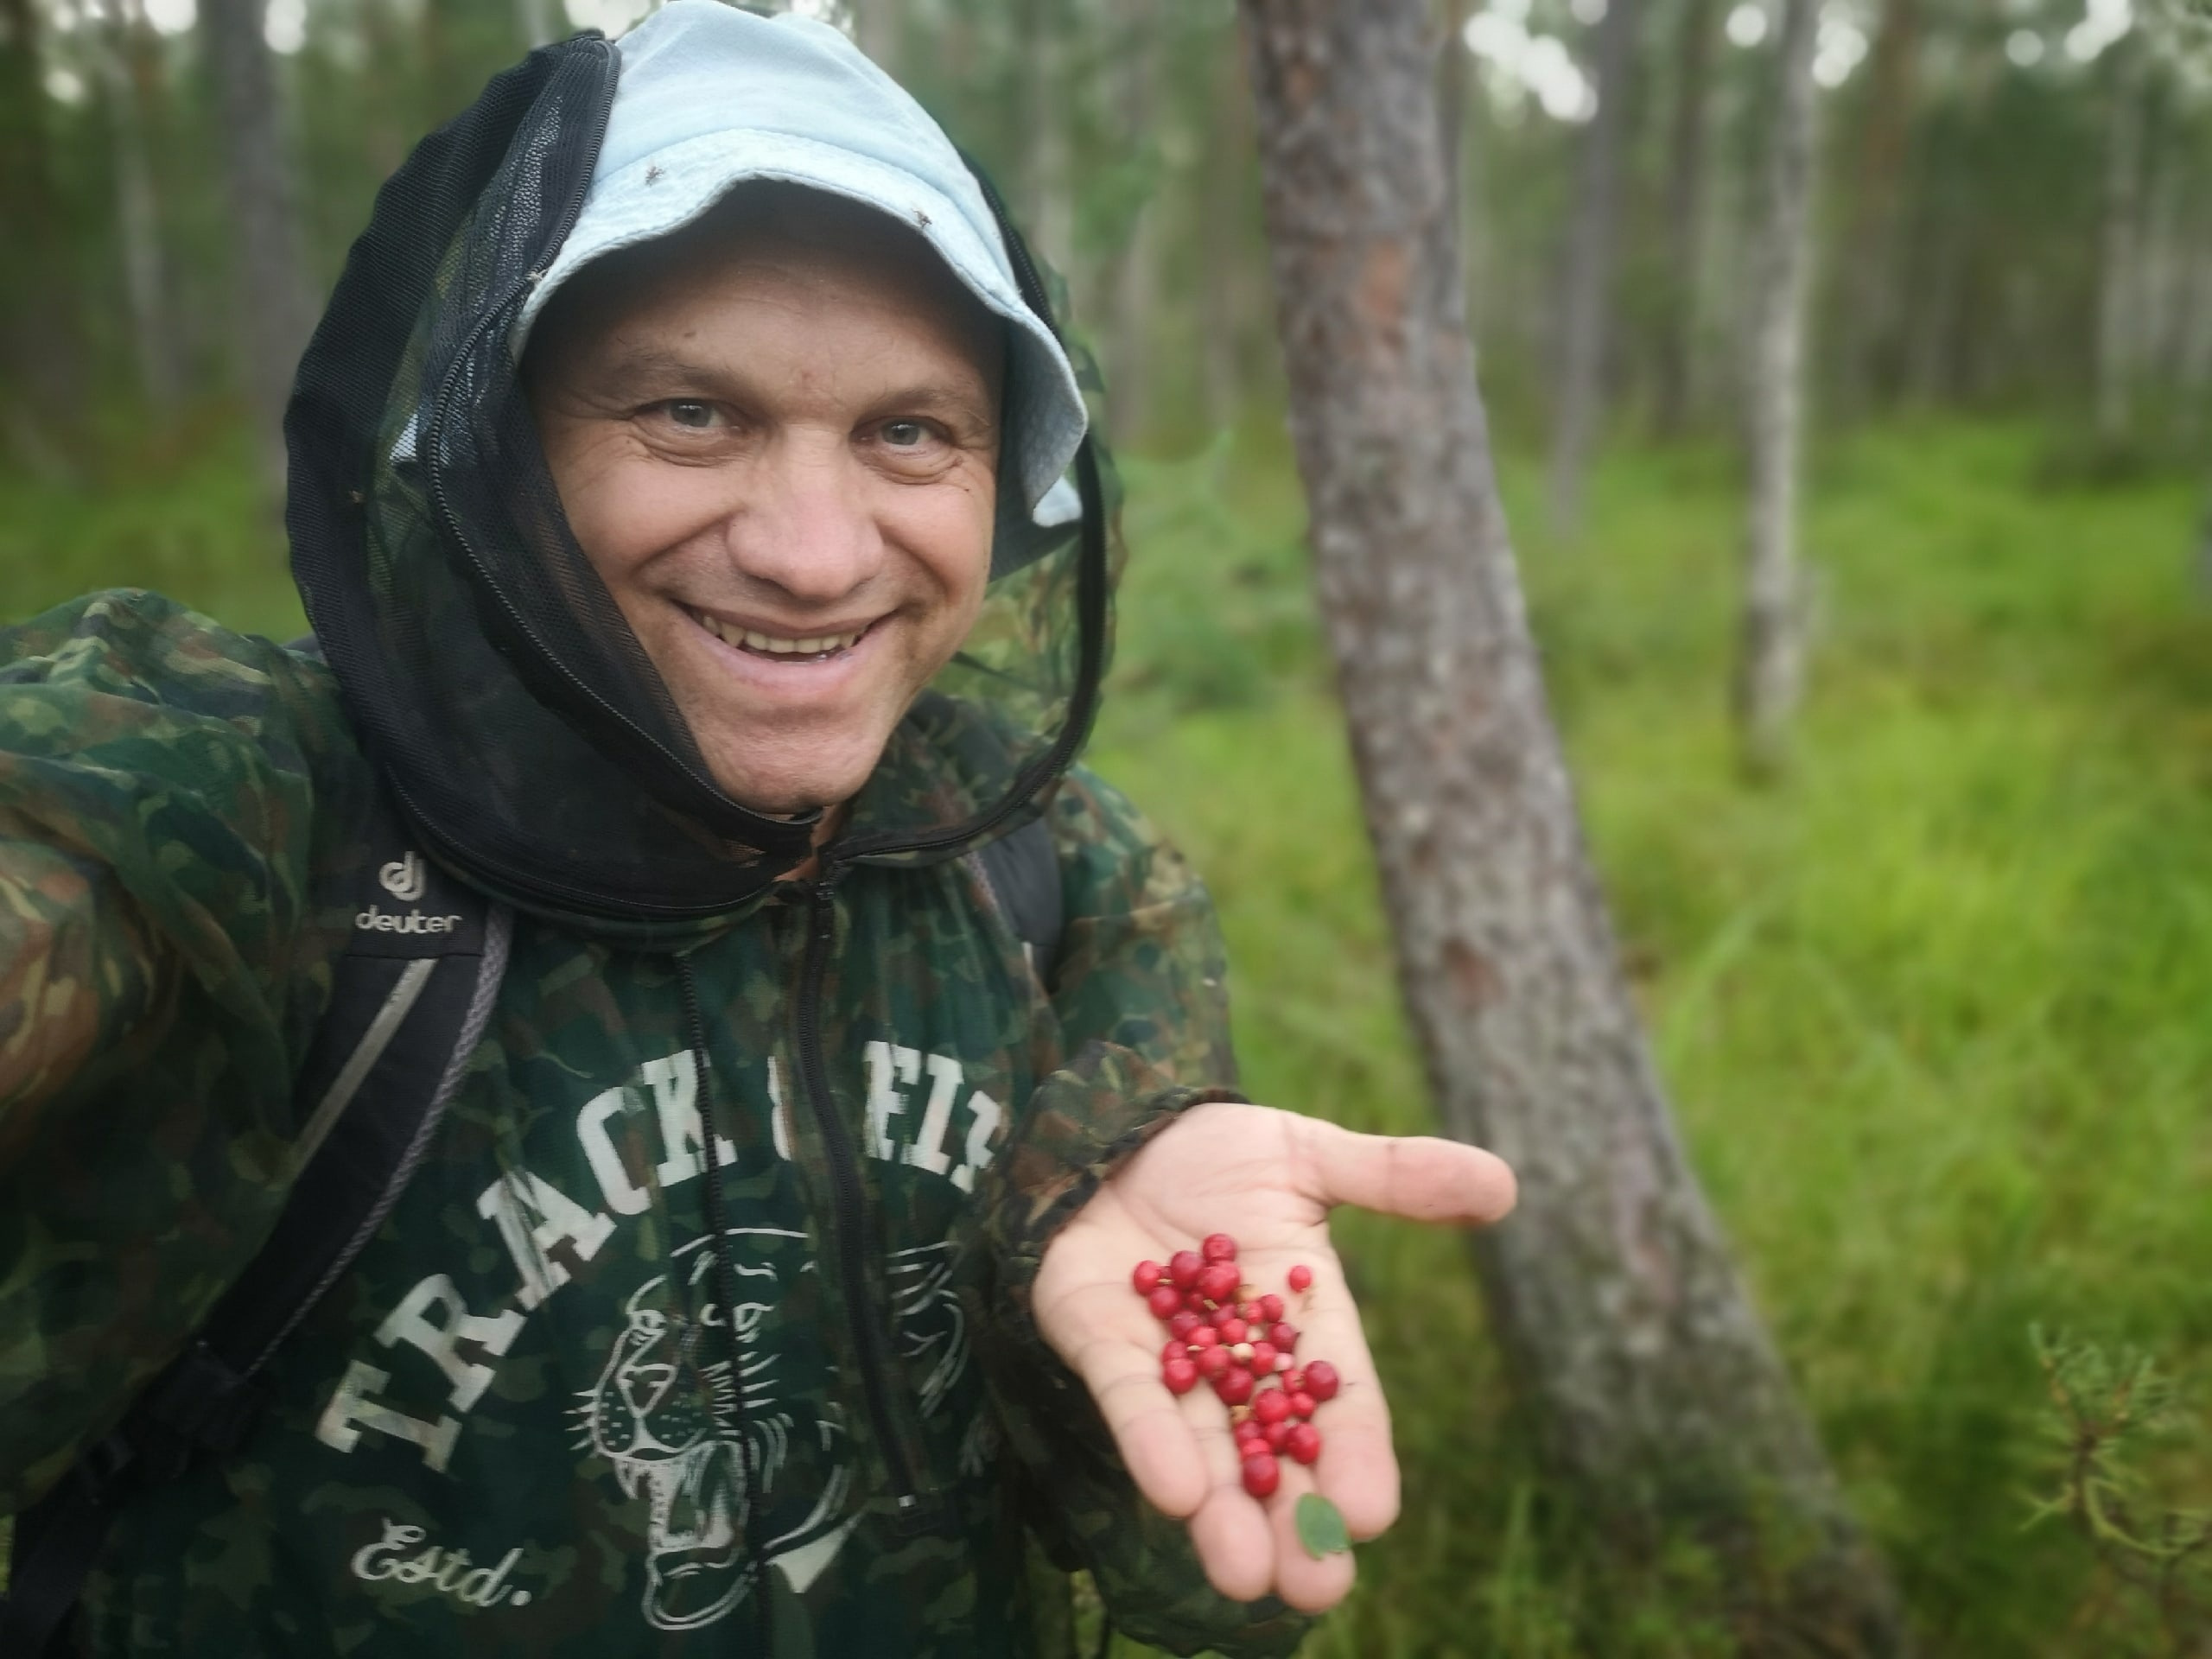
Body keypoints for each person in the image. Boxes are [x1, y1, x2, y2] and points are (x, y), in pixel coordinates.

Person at [0, 6, 1515, 1655]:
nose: (810, 553)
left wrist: (1115, 1276)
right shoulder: (264, 800)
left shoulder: (1055, 872)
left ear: (1004, 486)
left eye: (909, 433)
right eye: (690, 416)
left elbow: (1195, 1582)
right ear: (502, 455)